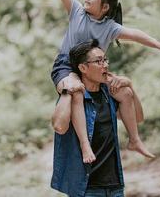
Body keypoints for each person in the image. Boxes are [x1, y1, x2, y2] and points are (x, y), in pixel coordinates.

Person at [30, 0, 160, 161]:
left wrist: (158, 44)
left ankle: (135, 140)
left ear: (105, 7)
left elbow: (135, 34)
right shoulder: (77, 11)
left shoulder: (110, 27)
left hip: (94, 69)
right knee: (77, 91)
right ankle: (84, 146)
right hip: (67, 66)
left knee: (125, 93)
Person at [51, 39, 133, 197]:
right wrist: (68, 90)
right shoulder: (73, 97)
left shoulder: (109, 95)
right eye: (98, 61)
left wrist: (130, 85)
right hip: (86, 188)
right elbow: (59, 126)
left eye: (105, 59)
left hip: (115, 185)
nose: (105, 65)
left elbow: (138, 118)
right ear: (83, 68)